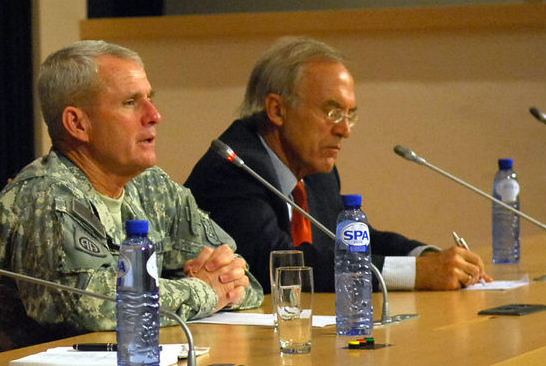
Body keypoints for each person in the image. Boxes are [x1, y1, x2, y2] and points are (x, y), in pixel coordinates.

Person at [0, 40, 263, 354]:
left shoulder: (151, 185)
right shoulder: (48, 197)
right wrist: (203, 292)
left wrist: (221, 284)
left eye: (150, 99)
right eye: (130, 103)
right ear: (78, 124)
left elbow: (242, 280)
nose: (154, 115)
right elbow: (92, 308)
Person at [185, 36, 488, 292]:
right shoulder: (234, 169)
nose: (345, 129)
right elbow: (282, 264)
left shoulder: (313, 168)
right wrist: (415, 273)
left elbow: (353, 238)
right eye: (332, 113)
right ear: (277, 110)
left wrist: (426, 256)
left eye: (350, 114)